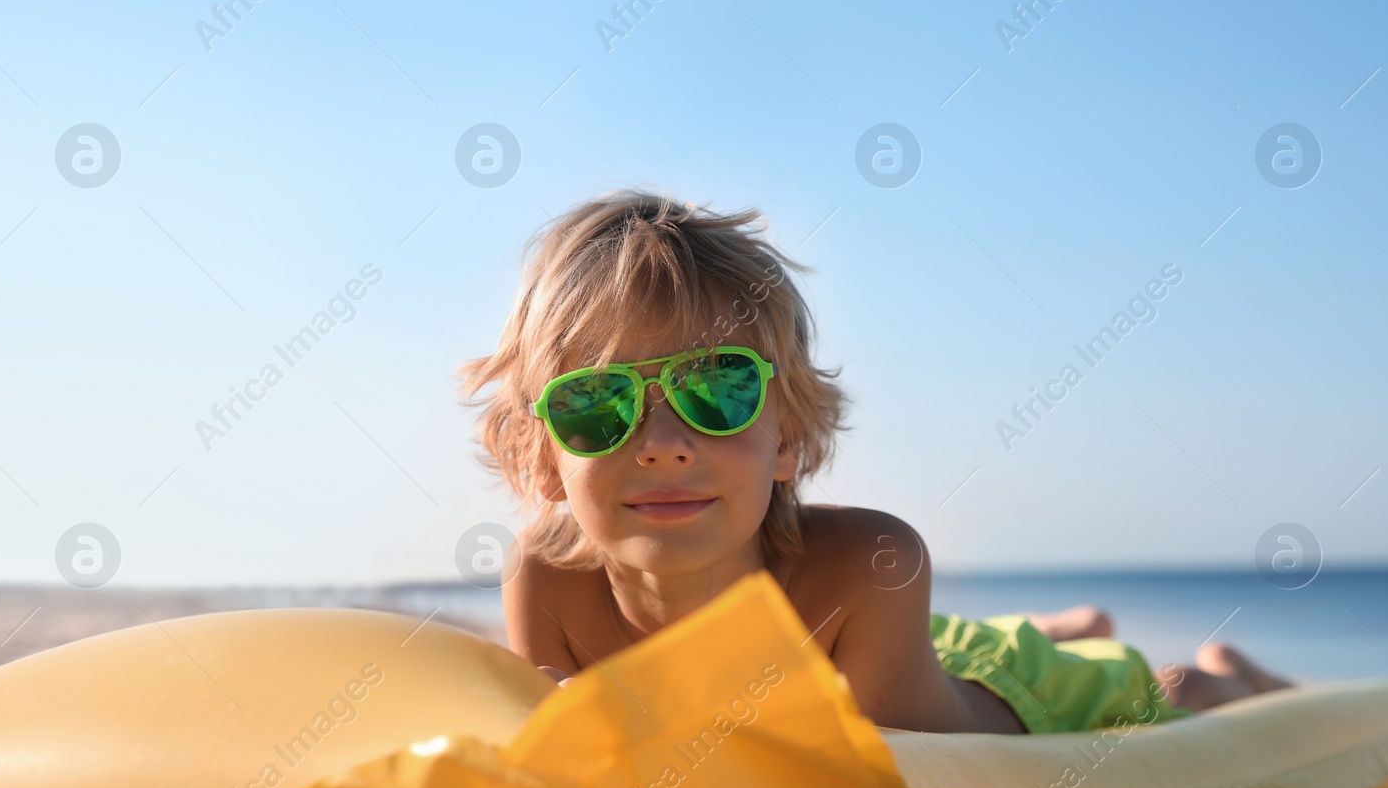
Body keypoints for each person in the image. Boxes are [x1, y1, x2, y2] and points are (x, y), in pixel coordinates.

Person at [457, 191, 1289, 734]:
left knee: (1172, 700)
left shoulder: (867, 567)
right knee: (942, 645)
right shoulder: (545, 579)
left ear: (785, 437)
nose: (665, 441)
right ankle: (1066, 622)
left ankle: (1223, 670)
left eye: (718, 389)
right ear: (539, 457)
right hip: (906, 654)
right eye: (597, 405)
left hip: (1019, 702)